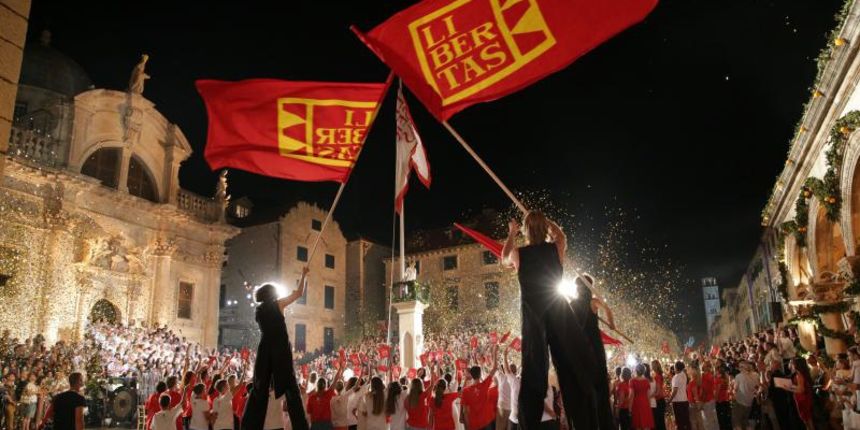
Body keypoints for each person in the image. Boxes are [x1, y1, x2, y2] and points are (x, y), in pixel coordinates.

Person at [502, 212, 603, 430]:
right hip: (558, 314)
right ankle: (584, 420)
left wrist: (512, 232)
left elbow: (504, 257)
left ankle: (530, 424)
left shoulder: (519, 254)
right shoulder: (556, 248)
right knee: (571, 366)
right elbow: (561, 235)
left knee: (534, 371)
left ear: (526, 230)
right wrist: (545, 221)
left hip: (534, 318)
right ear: (543, 227)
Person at [243, 268, 311, 430]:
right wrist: (304, 275)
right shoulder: (279, 304)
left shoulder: (258, 310)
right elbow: (299, 293)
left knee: (259, 388)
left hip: (265, 348)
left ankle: (250, 426)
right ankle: (300, 427)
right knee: (290, 386)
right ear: (273, 293)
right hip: (280, 348)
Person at [570, 274, 615, 430]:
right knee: (599, 384)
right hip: (594, 347)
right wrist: (611, 325)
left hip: (579, 347)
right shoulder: (593, 302)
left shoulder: (572, 303)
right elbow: (608, 310)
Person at [460, 347, 498, 430]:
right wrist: (495, 352)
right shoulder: (485, 384)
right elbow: (494, 368)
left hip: (474, 424)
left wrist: (467, 427)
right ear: (480, 375)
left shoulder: (465, 391)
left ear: (471, 375)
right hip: (486, 421)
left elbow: (465, 411)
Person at [306, 360, 345, 430]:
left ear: (316, 385)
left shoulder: (311, 397)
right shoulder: (328, 394)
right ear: (325, 385)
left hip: (315, 425)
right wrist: (340, 368)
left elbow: (309, 412)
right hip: (327, 424)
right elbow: (335, 380)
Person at [779, 357, 813, 430]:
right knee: (808, 421)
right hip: (802, 398)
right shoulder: (799, 374)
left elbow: (801, 389)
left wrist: (787, 388)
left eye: (791, 363)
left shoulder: (798, 375)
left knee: (807, 421)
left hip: (802, 398)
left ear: (795, 365)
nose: (789, 364)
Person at [730, 361, 757, 430]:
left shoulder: (739, 376)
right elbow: (756, 387)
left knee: (737, 422)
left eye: (740, 367)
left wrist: (732, 390)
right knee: (745, 421)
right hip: (749, 402)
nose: (739, 368)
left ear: (743, 367)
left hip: (739, 402)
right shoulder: (756, 375)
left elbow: (735, 389)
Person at [631, 364, 654, 430]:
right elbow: (648, 395)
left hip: (636, 404)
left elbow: (631, 395)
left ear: (636, 370)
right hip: (645, 404)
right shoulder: (646, 381)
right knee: (646, 424)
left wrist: (629, 408)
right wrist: (649, 406)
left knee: (638, 425)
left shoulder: (633, 381)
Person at [668, 361, 690, 430]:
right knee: (686, 421)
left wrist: (669, 400)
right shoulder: (684, 375)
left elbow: (675, 391)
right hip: (685, 400)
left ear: (676, 368)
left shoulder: (676, 377)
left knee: (679, 422)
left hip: (678, 402)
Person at [650, 361, 666, 430]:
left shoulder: (657, 377)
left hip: (659, 401)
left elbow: (658, 392)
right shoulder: (658, 375)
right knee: (660, 422)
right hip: (660, 400)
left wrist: (650, 396)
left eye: (652, 365)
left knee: (659, 422)